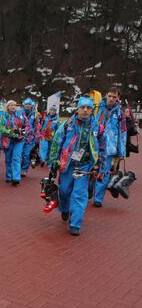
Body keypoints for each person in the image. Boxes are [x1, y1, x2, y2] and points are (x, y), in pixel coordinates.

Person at [48, 96, 106, 235]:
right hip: (67, 164)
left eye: (88, 108)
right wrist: (53, 162)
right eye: (82, 108)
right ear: (78, 109)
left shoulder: (98, 128)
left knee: (80, 194)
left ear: (92, 110)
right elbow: (56, 142)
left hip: (85, 166)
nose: (85, 111)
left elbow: (103, 148)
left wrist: (101, 166)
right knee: (64, 191)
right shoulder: (68, 124)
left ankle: (75, 224)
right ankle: (65, 208)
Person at [93, 87, 127, 207]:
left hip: (109, 148)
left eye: (114, 96)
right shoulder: (97, 108)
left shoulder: (119, 113)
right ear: (106, 95)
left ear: (118, 97)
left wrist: (121, 152)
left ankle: (98, 198)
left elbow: (123, 132)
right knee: (89, 170)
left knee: (104, 172)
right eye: (110, 96)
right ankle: (87, 191)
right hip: (94, 146)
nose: (111, 99)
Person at [0, 100, 31, 185]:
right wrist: (12, 132)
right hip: (8, 140)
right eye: (11, 105)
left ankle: (16, 178)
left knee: (16, 158)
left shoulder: (21, 115)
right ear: (7, 107)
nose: (13, 107)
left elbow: (28, 125)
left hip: (19, 140)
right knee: (8, 159)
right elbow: (1, 129)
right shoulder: (4, 116)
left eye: (14, 105)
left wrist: (23, 132)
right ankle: (9, 176)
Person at [20, 98, 41, 176]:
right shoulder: (19, 113)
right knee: (19, 154)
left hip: (30, 138)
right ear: (23, 105)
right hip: (20, 136)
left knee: (26, 154)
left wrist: (37, 136)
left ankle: (24, 169)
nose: (27, 106)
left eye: (29, 104)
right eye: (26, 104)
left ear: (31, 105)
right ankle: (18, 168)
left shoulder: (35, 114)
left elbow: (37, 126)